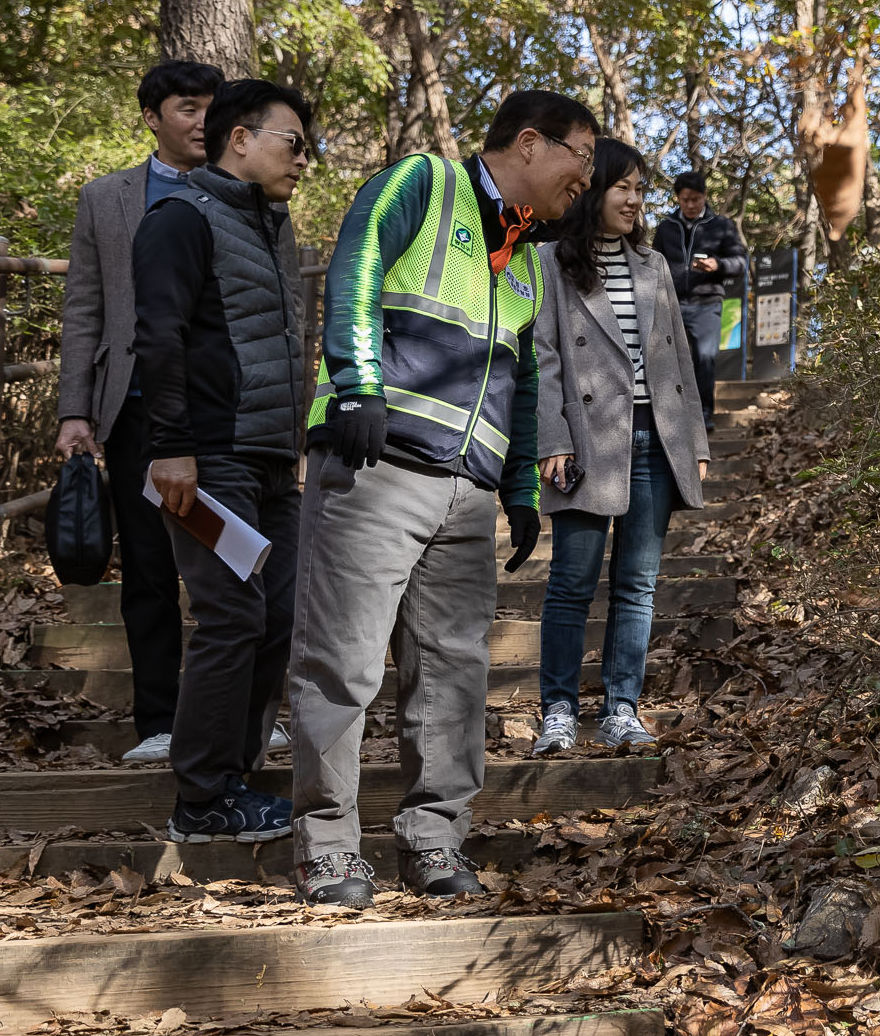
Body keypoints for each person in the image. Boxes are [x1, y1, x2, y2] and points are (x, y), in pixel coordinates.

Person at [285, 91, 594, 907]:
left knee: (454, 674)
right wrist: (355, 387)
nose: (586, 180)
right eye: (582, 158)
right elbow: (353, 266)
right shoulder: (423, 182)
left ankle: (433, 839)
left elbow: (524, 383)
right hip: (374, 464)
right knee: (343, 662)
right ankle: (327, 848)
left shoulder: (526, 256)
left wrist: (521, 487)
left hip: (468, 493)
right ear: (530, 144)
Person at [56, 60, 267, 766]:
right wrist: (75, 410)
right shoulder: (106, 198)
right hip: (138, 411)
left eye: (211, 109)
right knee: (148, 566)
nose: (200, 121)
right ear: (151, 116)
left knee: (237, 561)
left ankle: (245, 717)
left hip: (225, 415)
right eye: (186, 108)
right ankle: (157, 720)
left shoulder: (251, 192)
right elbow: (85, 307)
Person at [132, 79, 313, 841]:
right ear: (240, 138)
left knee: (277, 616)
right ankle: (201, 798)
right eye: (293, 143)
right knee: (232, 613)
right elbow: (160, 337)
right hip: (209, 457)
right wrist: (171, 448)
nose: (305, 159)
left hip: (271, 456)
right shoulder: (180, 219)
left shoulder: (273, 225)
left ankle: (233, 780)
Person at [529, 139, 712, 757]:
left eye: (640, 189)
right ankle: (557, 711)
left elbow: (677, 361)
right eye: (623, 188)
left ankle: (621, 709)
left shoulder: (654, 264)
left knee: (637, 584)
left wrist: (694, 438)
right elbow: (545, 358)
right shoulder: (550, 261)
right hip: (586, 442)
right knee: (571, 583)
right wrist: (551, 437)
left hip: (655, 440)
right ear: (592, 192)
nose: (635, 201)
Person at [653, 171, 745, 432]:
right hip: (671, 304)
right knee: (668, 358)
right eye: (685, 200)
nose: (691, 205)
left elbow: (740, 263)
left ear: (705, 196)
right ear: (677, 199)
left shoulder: (722, 226)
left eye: (696, 199)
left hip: (707, 303)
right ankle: (672, 415)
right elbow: (654, 262)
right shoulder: (666, 227)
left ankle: (704, 415)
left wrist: (718, 264)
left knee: (704, 357)